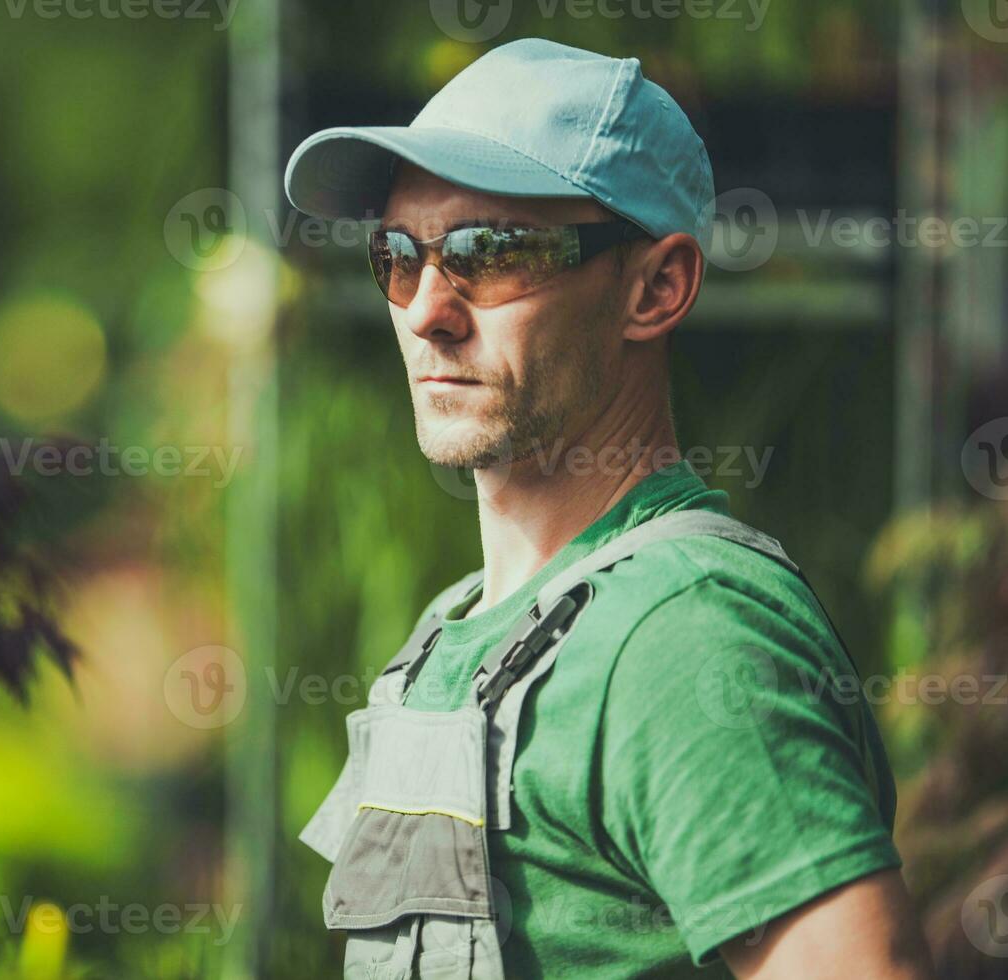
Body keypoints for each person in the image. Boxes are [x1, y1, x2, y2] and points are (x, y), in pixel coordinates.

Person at [283, 38, 934, 979]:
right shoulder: (455, 629)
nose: (427, 308)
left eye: (488, 252)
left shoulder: (682, 638)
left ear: (655, 288)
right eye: (398, 254)